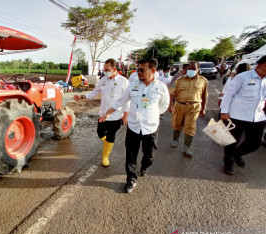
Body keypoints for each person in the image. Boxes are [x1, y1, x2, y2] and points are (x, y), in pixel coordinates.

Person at [100, 58, 169, 193]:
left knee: (149, 155)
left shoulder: (161, 87)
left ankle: (144, 166)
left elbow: (164, 104)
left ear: (153, 70)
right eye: (138, 70)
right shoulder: (133, 85)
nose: (139, 73)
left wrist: (154, 115)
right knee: (131, 155)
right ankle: (131, 179)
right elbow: (120, 101)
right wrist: (107, 112)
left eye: (142, 70)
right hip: (133, 126)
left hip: (151, 127)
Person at [74, 58, 130, 167]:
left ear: (114, 69)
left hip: (116, 115)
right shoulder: (103, 80)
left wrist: (126, 115)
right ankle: (108, 144)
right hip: (102, 113)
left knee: (111, 135)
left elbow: (127, 99)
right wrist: (82, 96)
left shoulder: (124, 82)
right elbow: (95, 91)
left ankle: (105, 157)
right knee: (100, 133)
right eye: (104, 69)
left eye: (107, 69)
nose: (105, 72)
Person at [220, 55, 266, 175]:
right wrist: (224, 111)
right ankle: (228, 162)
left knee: (255, 143)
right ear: (260, 65)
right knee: (232, 141)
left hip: (258, 117)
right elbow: (228, 94)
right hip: (237, 116)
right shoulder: (242, 77)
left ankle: (237, 154)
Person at [168, 61, 208, 157]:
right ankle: (175, 139)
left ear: (198, 70)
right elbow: (172, 93)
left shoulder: (203, 81)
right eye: (190, 69)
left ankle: (187, 146)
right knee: (177, 123)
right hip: (179, 105)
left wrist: (203, 109)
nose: (191, 71)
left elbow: (204, 96)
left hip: (194, 107)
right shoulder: (179, 80)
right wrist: (170, 105)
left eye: (194, 69)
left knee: (190, 127)